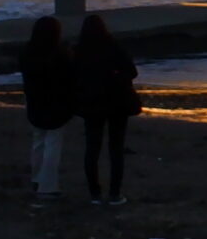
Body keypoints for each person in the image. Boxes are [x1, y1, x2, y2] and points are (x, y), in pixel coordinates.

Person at [71, 14, 139, 206]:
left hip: (91, 104)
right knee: (116, 149)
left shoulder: (79, 51)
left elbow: (73, 77)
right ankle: (115, 194)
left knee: (92, 148)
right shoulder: (114, 46)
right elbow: (132, 72)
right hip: (117, 102)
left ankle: (95, 194)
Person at [17, 15, 73, 203]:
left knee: (38, 140)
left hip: (35, 101)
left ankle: (36, 178)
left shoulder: (27, 52)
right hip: (56, 104)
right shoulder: (60, 54)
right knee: (53, 144)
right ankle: (48, 186)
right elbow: (68, 79)